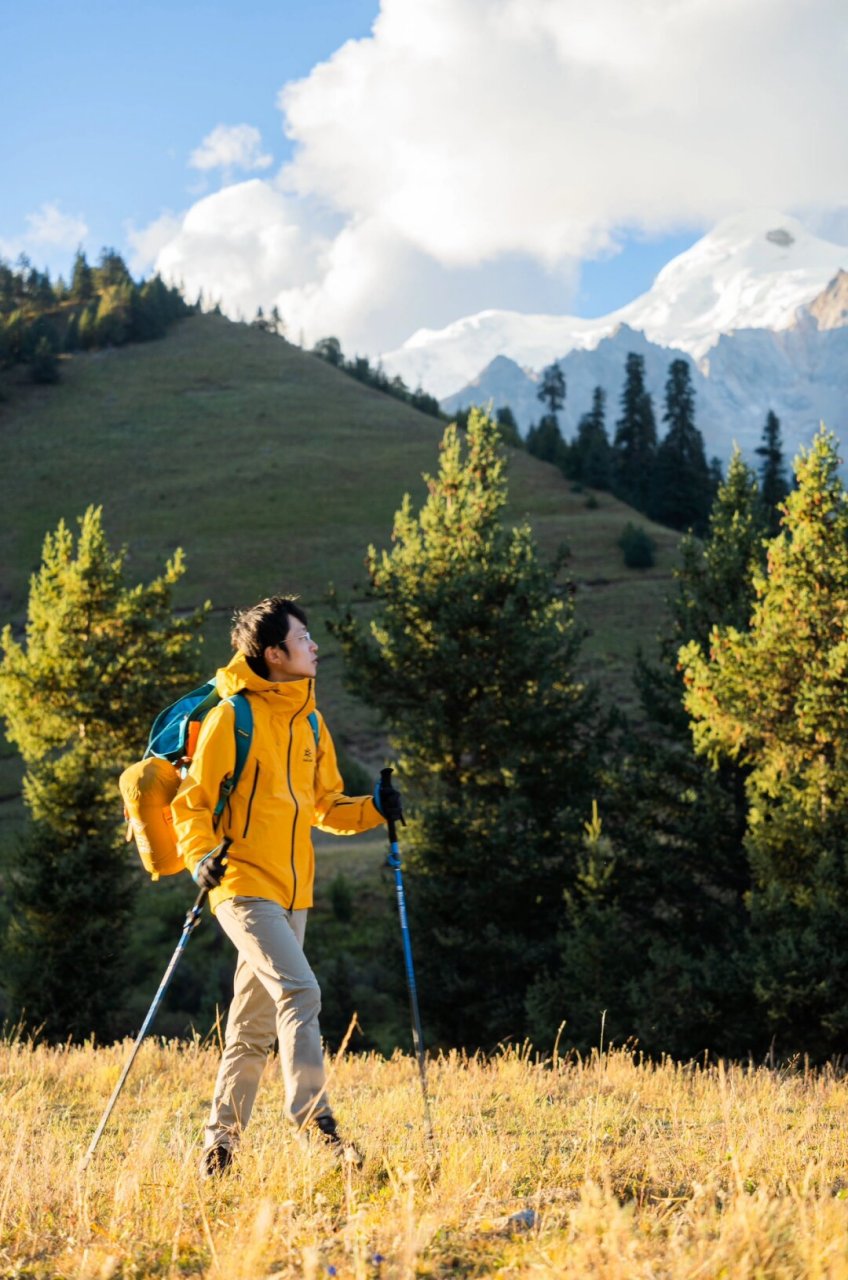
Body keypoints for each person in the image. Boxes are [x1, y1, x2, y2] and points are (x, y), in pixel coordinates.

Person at [171, 595, 402, 1176]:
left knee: (250, 1027)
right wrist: (200, 857)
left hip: (293, 893)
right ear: (274, 654)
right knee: (301, 992)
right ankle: (316, 1128)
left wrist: (374, 807)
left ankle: (219, 1149)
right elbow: (192, 804)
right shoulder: (234, 717)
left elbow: (324, 805)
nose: (314, 646)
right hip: (242, 884)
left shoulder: (310, 721)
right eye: (303, 639)